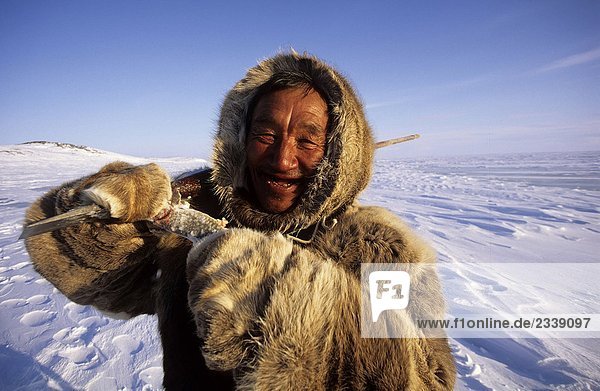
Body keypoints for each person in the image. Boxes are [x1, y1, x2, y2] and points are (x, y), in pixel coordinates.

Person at [24, 52, 456, 390]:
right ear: (239, 139)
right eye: (265, 134)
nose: (282, 159)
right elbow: (96, 276)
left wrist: (280, 301)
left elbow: (425, 378)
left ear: (340, 155)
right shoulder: (193, 216)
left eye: (308, 140)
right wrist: (107, 212)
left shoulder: (379, 248)